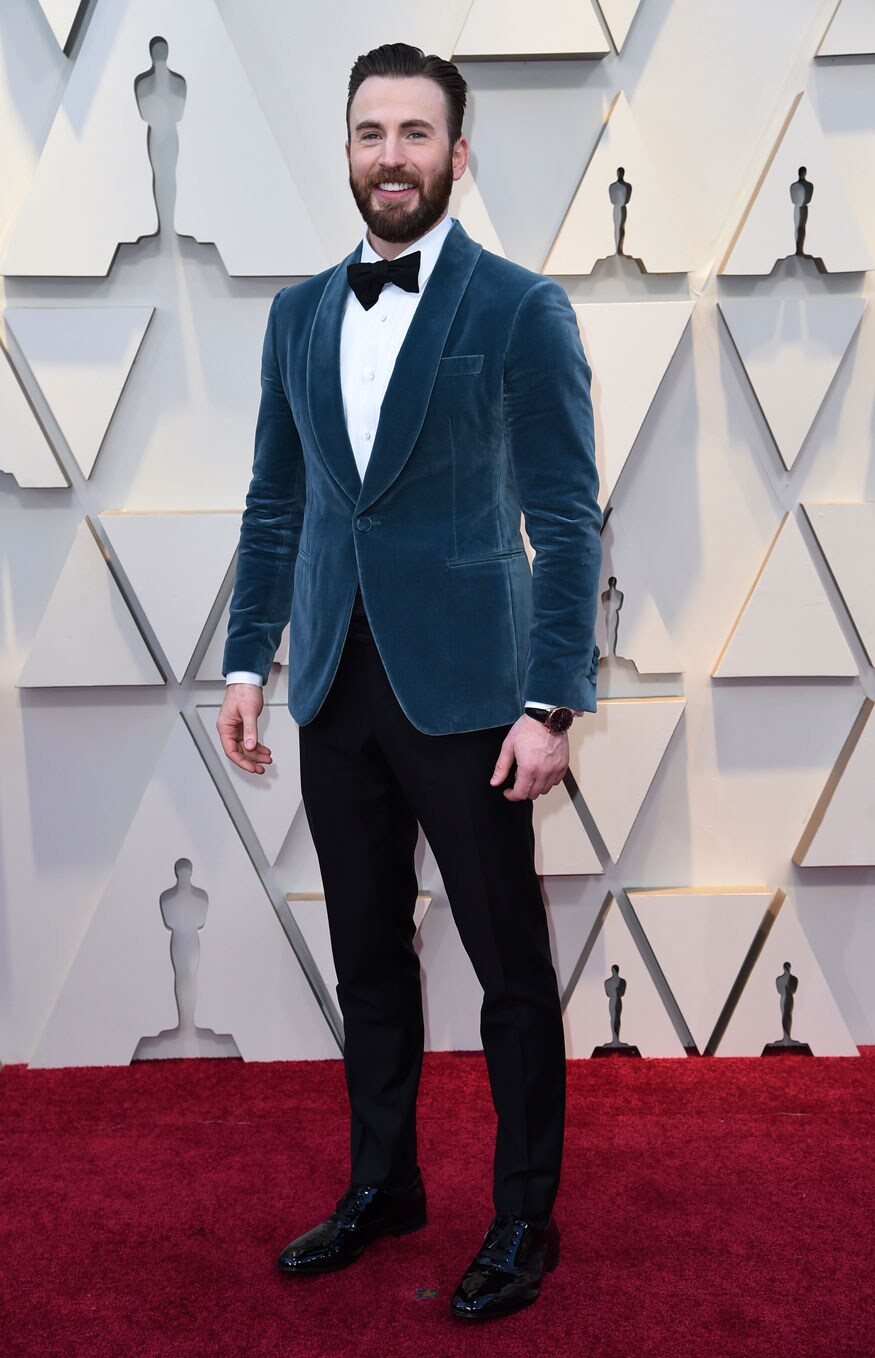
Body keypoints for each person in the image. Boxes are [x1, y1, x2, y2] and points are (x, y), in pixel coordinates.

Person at [217, 42, 601, 1322]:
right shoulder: (297, 313)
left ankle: (522, 1216)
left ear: (457, 153)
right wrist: (245, 662)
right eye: (370, 132)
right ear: (346, 149)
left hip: (475, 698)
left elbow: (564, 512)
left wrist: (552, 702)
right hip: (332, 685)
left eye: (415, 134)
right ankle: (383, 1184)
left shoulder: (517, 307)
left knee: (507, 972)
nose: (391, 155)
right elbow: (277, 503)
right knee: (367, 957)